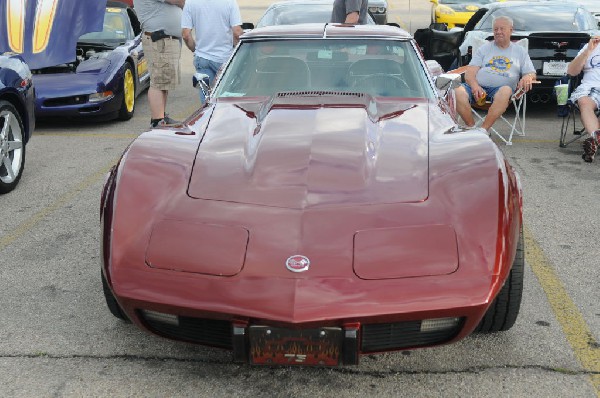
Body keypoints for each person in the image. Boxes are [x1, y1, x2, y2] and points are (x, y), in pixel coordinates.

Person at [454, 16, 536, 132]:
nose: (498, 32)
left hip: (501, 91)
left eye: (502, 29)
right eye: (496, 29)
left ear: (510, 30)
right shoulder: (484, 49)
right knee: (457, 90)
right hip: (477, 89)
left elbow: (531, 72)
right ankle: (471, 128)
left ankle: (483, 130)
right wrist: (475, 86)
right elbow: (470, 73)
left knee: (506, 90)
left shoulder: (519, 51)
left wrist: (528, 77)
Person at [133, 0, 185, 128]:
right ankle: (157, 120)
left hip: (163, 40)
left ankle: (161, 117)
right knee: (158, 82)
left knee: (163, 81)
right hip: (160, 40)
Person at [181, 0, 242, 104]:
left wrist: (195, 49)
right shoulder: (229, 2)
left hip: (203, 58)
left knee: (206, 97)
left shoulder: (190, 3)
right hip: (224, 59)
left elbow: (186, 35)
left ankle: (207, 117)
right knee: (227, 97)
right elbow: (237, 33)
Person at [566, 36, 600, 163]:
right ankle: (595, 138)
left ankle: (594, 141)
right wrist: (588, 51)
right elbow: (571, 72)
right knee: (584, 102)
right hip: (590, 87)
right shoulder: (591, 45)